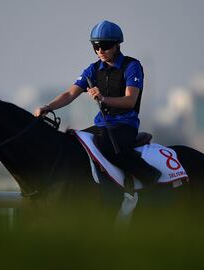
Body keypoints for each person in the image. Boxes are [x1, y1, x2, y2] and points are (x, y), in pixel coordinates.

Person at [34, 20, 161, 186]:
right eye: (96, 46)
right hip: (102, 125)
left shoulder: (132, 66)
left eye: (105, 46)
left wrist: (102, 99)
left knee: (107, 146)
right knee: (72, 144)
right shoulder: (92, 70)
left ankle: (150, 176)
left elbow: (130, 101)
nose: (100, 51)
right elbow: (70, 93)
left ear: (117, 45)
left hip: (125, 125)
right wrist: (48, 107)